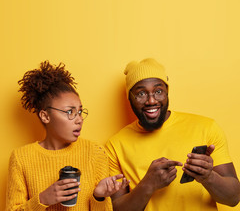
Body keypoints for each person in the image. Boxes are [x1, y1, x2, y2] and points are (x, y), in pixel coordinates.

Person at [105, 58, 240, 211]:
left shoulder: (206, 128)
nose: (151, 100)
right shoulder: (115, 145)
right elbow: (117, 209)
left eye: (158, 91)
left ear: (167, 92)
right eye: (141, 93)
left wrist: (208, 177)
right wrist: (148, 184)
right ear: (130, 98)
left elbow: (234, 198)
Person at [6, 61, 129, 211]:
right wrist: (43, 199)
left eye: (79, 112)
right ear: (45, 116)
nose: (79, 119)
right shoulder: (21, 158)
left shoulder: (95, 152)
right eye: (70, 112)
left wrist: (99, 196)